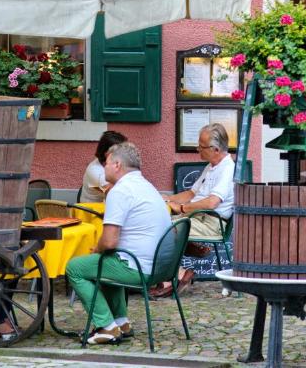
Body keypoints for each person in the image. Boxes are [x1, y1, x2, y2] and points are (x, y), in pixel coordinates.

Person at [66, 141, 171, 345]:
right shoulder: (147, 186)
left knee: (75, 268)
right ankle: (122, 322)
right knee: (106, 260)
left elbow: (110, 241)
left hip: (138, 267)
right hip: (159, 267)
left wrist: (97, 249)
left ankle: (106, 326)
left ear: (117, 165)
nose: (103, 167)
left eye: (105, 162)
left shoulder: (120, 191)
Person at [153, 123, 235, 297]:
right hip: (199, 218)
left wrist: (182, 208)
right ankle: (189, 250)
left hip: (211, 222)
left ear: (215, 149)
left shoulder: (227, 169)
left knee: (161, 229)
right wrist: (166, 199)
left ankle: (178, 274)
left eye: (202, 146)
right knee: (157, 223)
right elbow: (191, 193)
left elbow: (212, 202)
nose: (198, 149)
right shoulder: (211, 166)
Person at [81, 130, 127, 202]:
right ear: (107, 153)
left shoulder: (111, 163)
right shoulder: (96, 172)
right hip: (92, 210)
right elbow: (118, 195)